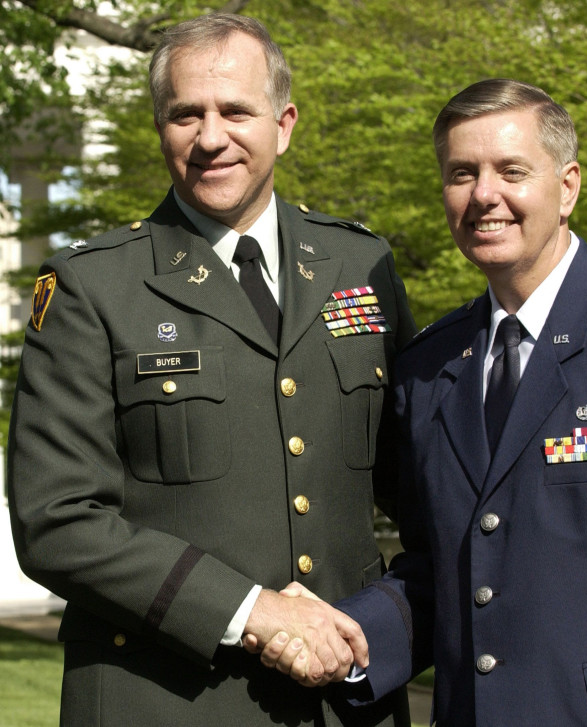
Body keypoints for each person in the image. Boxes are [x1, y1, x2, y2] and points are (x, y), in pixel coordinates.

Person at [259, 79, 587, 725]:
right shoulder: (429, 367)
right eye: (462, 173)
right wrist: (348, 634)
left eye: (511, 170)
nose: (485, 194)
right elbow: (444, 572)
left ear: (567, 186)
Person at [7, 13, 414, 727]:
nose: (211, 137)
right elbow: (57, 520)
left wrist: (382, 620)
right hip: (164, 700)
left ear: (284, 124)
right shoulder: (90, 288)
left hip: (346, 703)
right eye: (185, 114)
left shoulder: (361, 265)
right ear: (160, 128)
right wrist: (251, 610)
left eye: (236, 110)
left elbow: (426, 488)